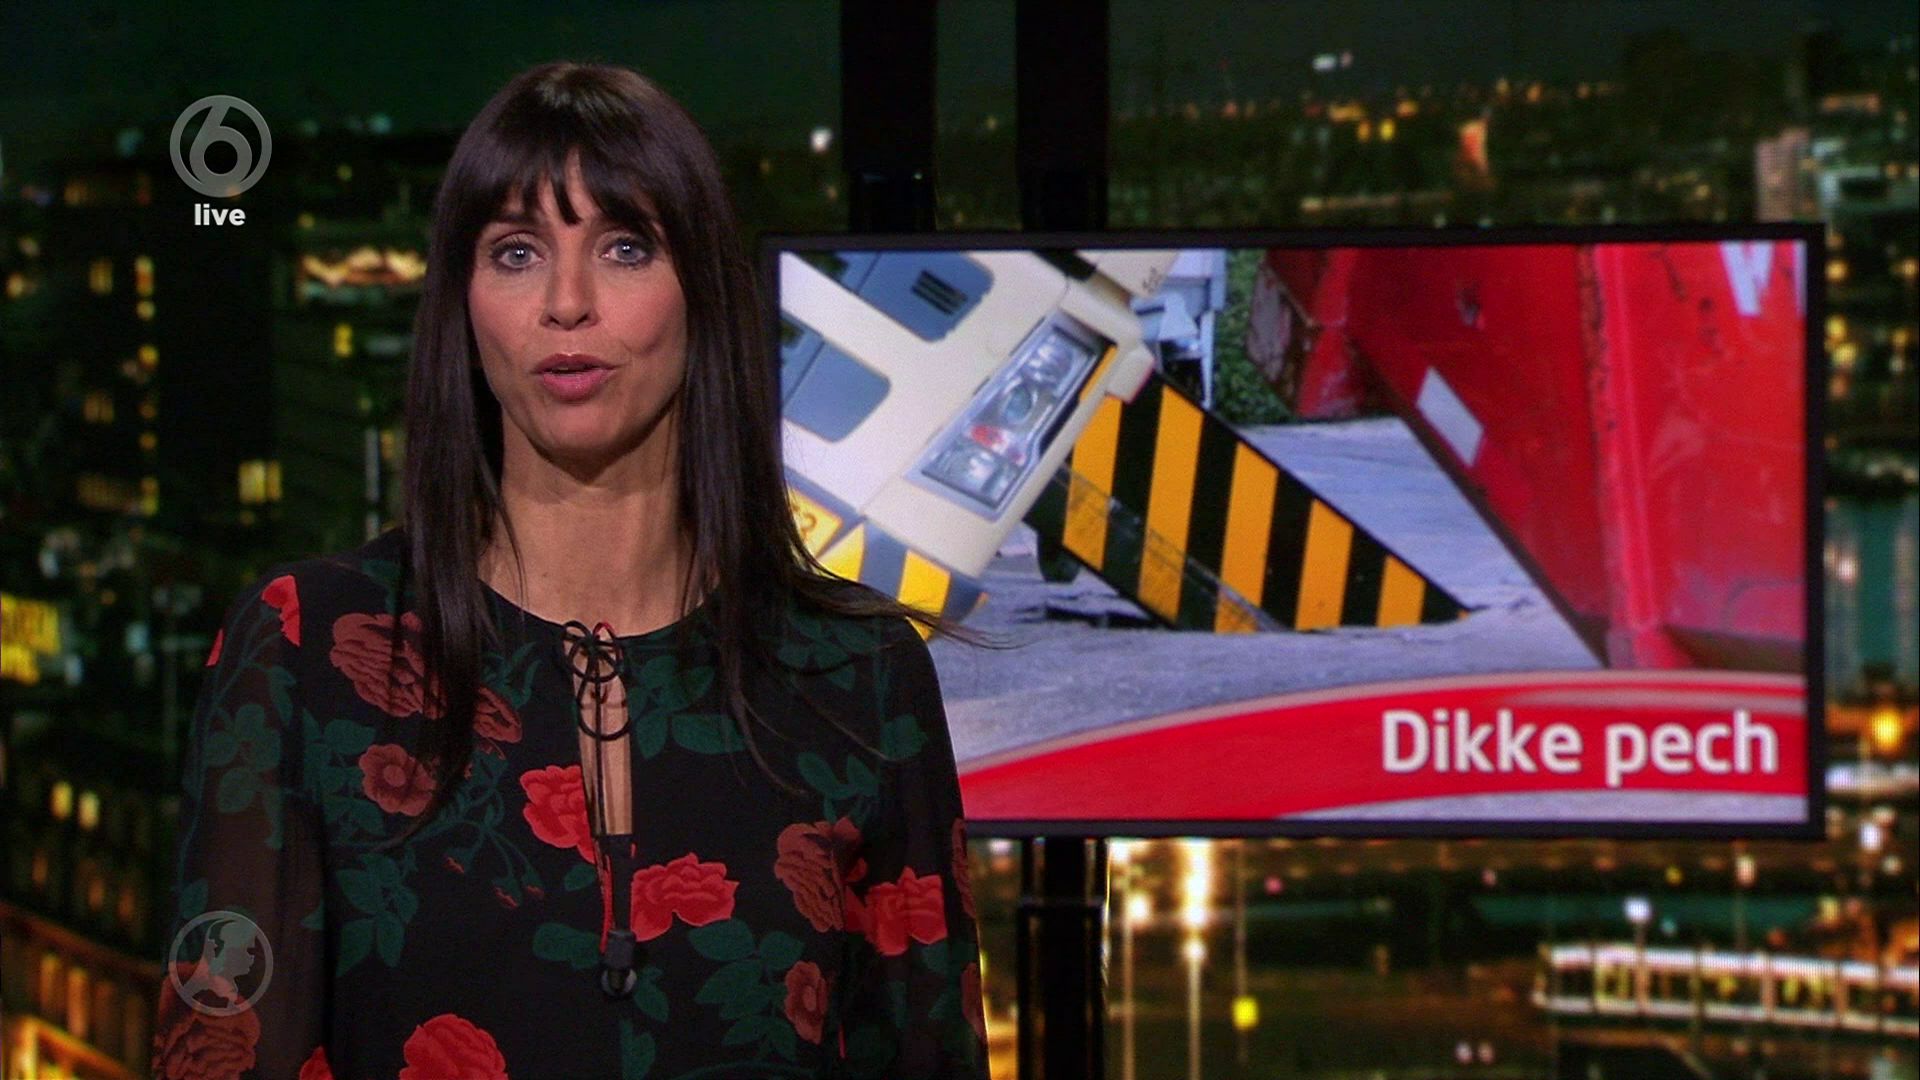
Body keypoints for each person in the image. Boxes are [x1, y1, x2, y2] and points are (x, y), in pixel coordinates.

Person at [151, 61, 997, 1080]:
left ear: (703, 293)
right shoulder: (305, 650)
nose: (566, 302)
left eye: (625, 247)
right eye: (516, 253)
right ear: (464, 304)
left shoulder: (858, 676)